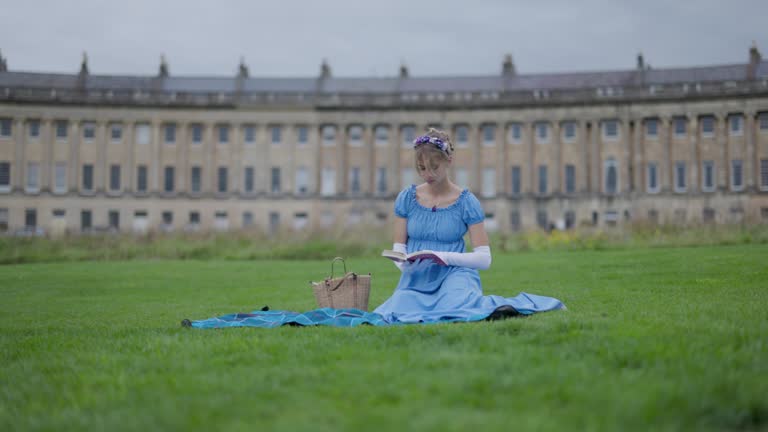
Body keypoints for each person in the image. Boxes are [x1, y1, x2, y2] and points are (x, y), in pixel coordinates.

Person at [373, 128, 565, 323]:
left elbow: (484, 259)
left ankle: (493, 307)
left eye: (434, 167)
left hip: (456, 274)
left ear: (448, 161)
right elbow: (399, 248)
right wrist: (404, 264)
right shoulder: (407, 198)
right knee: (398, 307)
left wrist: (443, 257)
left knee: (456, 303)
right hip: (418, 277)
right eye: (421, 168)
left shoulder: (466, 202)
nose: (428, 174)